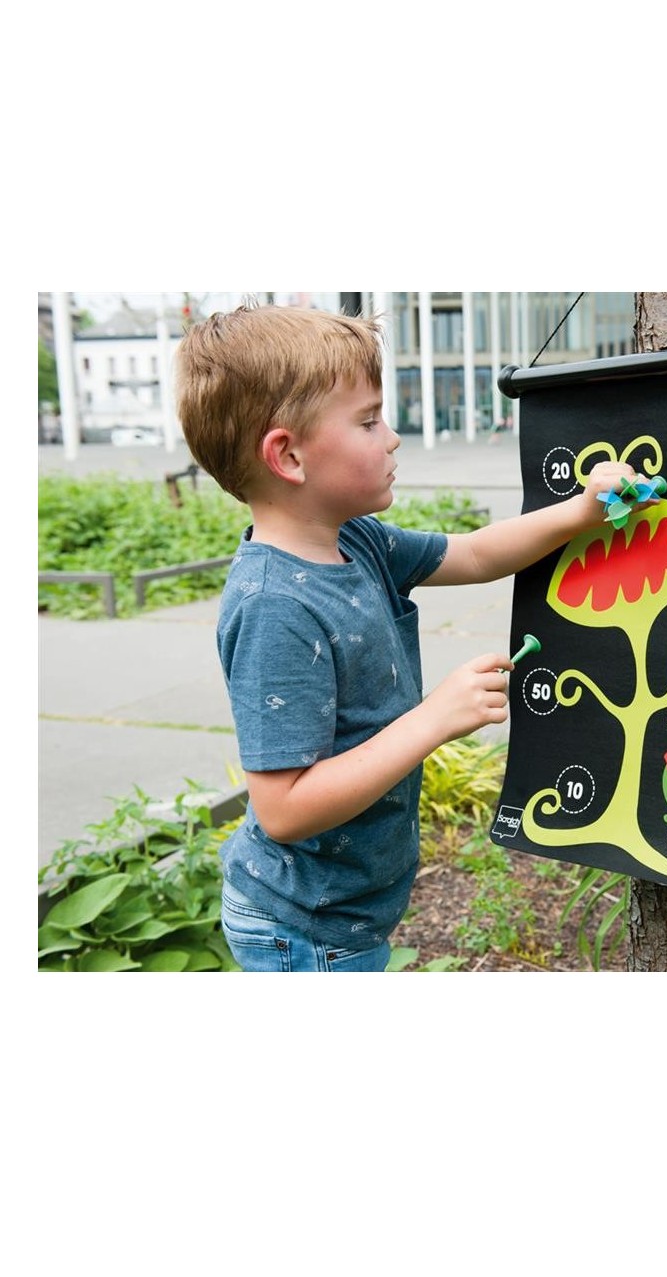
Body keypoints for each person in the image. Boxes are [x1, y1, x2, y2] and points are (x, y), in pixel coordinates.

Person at [175, 302, 635, 972]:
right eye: (368, 421)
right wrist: (433, 719)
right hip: (305, 930)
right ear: (288, 455)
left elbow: (474, 553)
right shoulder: (275, 607)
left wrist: (582, 512)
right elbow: (284, 809)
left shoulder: (356, 541)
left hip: (345, 913)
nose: (391, 438)